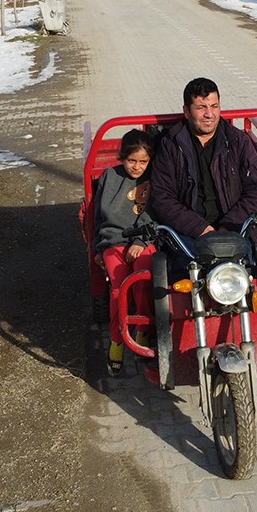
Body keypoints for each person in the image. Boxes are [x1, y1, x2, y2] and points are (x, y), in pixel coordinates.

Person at [150, 77, 257, 250]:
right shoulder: (171, 144)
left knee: (248, 271)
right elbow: (161, 196)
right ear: (186, 111)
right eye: (201, 107)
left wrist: (228, 226)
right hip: (187, 234)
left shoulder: (237, 141)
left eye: (214, 106)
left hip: (234, 230)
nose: (209, 114)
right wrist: (199, 228)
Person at [92, 129, 157, 376]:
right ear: (122, 157)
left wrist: (141, 240)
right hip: (114, 243)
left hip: (144, 240)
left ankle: (141, 328)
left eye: (143, 161)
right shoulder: (110, 177)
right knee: (119, 290)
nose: (137, 167)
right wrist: (99, 246)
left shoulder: (155, 179)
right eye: (132, 160)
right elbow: (98, 216)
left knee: (143, 281)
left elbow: (155, 214)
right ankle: (117, 340)